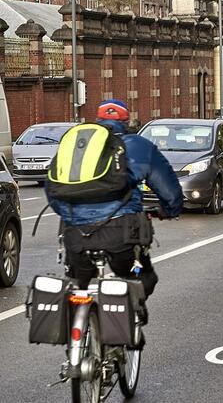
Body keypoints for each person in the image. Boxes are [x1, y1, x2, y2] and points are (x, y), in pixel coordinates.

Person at [46, 99, 183, 299]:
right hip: (123, 234)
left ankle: (76, 325)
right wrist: (170, 210)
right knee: (141, 278)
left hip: (76, 236)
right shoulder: (138, 145)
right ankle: (129, 321)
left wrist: (71, 215)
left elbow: (52, 189)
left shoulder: (78, 146)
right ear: (126, 122)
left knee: (77, 287)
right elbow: (168, 190)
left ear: (98, 120)